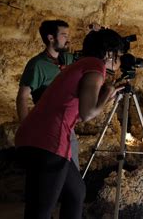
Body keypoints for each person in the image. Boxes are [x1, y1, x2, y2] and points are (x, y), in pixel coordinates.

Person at [15, 29, 124, 219]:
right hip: (49, 141)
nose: (119, 61)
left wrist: (105, 97)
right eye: (118, 56)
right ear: (108, 54)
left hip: (33, 136)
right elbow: (88, 113)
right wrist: (107, 93)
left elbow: (76, 113)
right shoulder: (96, 67)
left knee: (76, 192)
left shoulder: (80, 65)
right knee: (40, 212)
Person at [16, 20, 80, 169]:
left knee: (73, 172)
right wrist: (26, 128)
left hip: (68, 127)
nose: (68, 39)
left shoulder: (68, 59)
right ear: (51, 38)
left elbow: (90, 58)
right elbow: (22, 97)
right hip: (48, 129)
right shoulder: (37, 65)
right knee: (55, 173)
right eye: (64, 35)